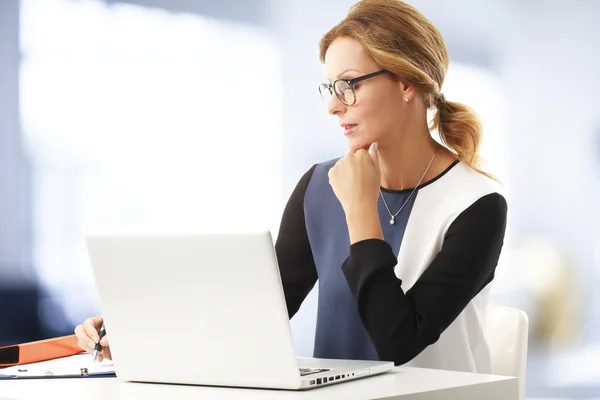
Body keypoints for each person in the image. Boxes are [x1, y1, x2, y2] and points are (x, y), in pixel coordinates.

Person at [75, 0, 507, 373]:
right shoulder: (318, 187)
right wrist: (137, 332)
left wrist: (360, 210)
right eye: (330, 87)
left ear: (407, 82)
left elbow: (400, 341)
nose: (334, 105)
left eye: (350, 85)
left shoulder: (477, 206)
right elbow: (260, 313)